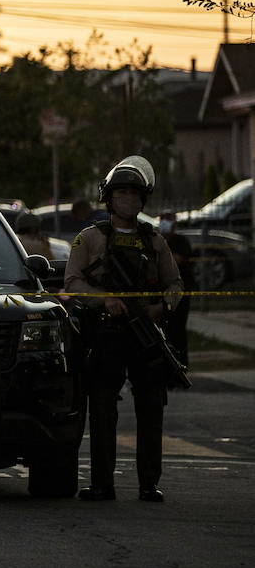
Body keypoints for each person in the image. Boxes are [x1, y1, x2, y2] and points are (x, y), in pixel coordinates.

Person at [64, 156, 182, 503]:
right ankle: (103, 484)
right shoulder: (90, 238)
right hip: (107, 333)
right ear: (109, 198)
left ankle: (149, 483)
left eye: (134, 193)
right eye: (122, 193)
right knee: (102, 407)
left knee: (150, 406)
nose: (128, 199)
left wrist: (162, 308)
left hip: (145, 333)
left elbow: (174, 284)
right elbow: (72, 283)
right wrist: (105, 300)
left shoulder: (155, 241)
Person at [158, 211, 193, 367]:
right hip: (161, 293)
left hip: (180, 293)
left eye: (168, 220)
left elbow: (176, 261)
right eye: (162, 220)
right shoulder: (157, 240)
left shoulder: (180, 241)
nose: (165, 223)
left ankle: (180, 364)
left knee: (178, 330)